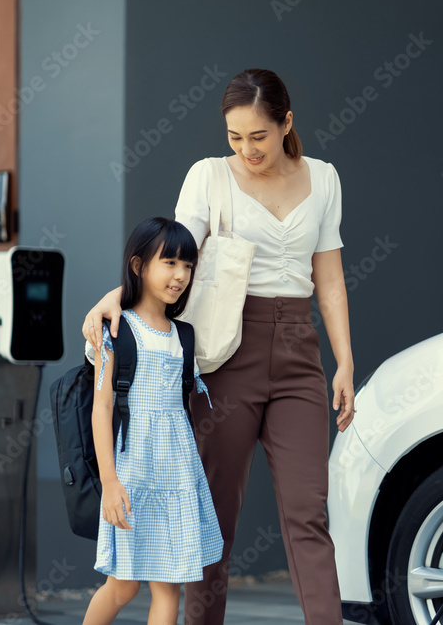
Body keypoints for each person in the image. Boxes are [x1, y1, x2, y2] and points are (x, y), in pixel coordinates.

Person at [83, 68, 354, 625]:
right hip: (226, 356)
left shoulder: (324, 179)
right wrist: (119, 294)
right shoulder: (209, 176)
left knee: (308, 513)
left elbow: (328, 280)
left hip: (300, 355)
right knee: (213, 517)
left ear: (286, 123)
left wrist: (345, 360)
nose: (246, 149)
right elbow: (173, 255)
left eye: (258, 135)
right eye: (235, 136)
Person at [82, 217, 223, 625]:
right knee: (122, 586)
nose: (180, 275)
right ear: (139, 265)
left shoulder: (185, 335)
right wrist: (109, 482)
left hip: (176, 474)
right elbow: (102, 407)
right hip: (131, 474)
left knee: (169, 586)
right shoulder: (117, 331)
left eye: (188, 266)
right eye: (170, 263)